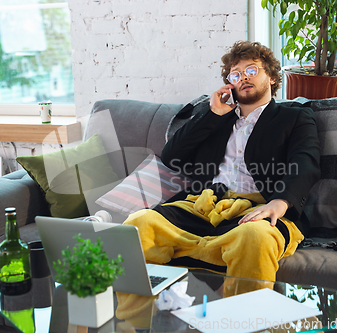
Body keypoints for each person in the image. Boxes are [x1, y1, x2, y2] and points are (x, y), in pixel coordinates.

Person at [123, 41, 320, 292]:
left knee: (255, 238)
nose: (243, 78)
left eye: (251, 70)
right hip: (202, 206)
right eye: (235, 75)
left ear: (271, 77)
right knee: (138, 224)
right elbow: (173, 157)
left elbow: (306, 162)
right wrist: (213, 115)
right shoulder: (216, 118)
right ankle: (141, 325)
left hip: (258, 207)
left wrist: (279, 203)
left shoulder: (294, 116)